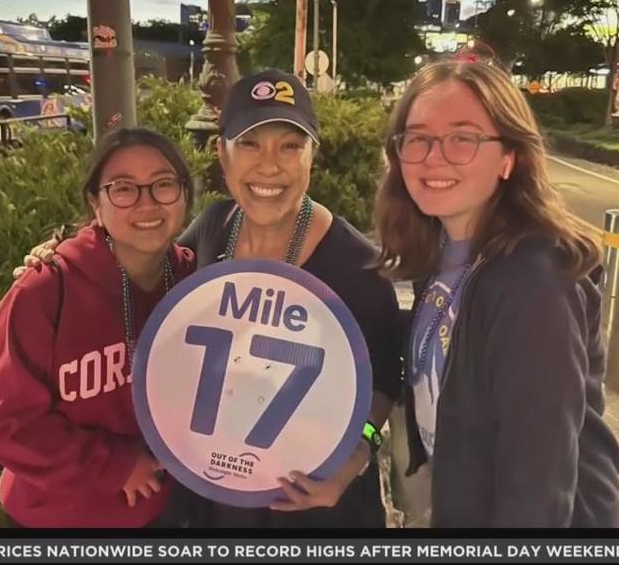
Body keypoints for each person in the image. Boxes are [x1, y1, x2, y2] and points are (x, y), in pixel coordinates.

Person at [20, 70, 402, 528]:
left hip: (311, 511)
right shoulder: (215, 226)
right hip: (213, 503)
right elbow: (142, 277)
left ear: (311, 157)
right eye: (250, 144)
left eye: (289, 146)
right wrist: (63, 260)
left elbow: (384, 382)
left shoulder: (359, 266)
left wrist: (356, 453)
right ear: (222, 154)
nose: (270, 165)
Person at [374, 58, 619, 527]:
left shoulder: (533, 281)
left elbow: (539, 483)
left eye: (463, 138)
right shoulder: (444, 251)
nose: (434, 156)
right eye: (418, 138)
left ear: (509, 157)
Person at [0, 127, 196, 528]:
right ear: (96, 203)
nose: (147, 203)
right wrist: (115, 465)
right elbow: (11, 426)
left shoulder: (195, 284)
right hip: (57, 521)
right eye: (123, 188)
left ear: (184, 195)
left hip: (161, 513)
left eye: (163, 185)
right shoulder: (46, 290)